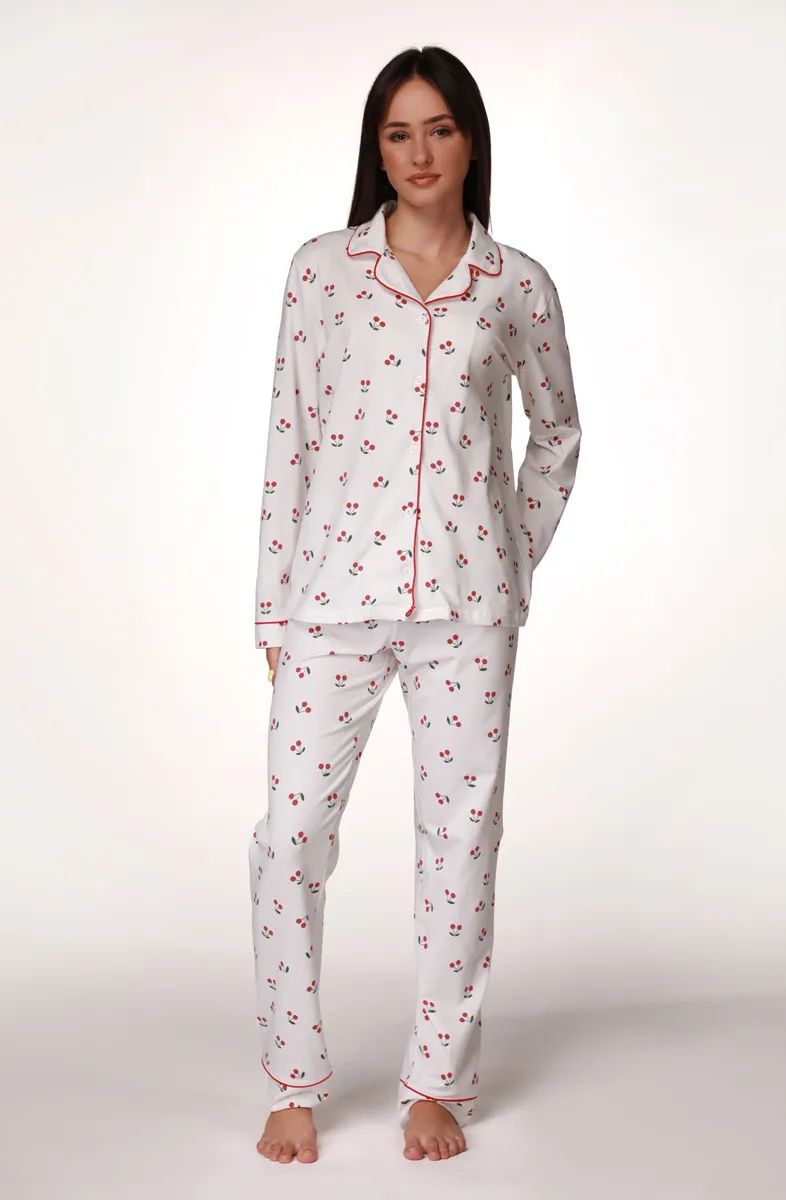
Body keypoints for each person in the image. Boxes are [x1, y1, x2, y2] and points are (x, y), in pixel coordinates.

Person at [249, 45, 581, 1166]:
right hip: (329, 601)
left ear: (470, 139)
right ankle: (293, 1078)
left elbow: (557, 433)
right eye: (399, 133)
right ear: (376, 149)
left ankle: (437, 1084)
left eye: (438, 128)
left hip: (466, 609)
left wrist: (510, 555)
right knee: (291, 834)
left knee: (460, 839)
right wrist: (271, 613)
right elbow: (289, 439)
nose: (420, 152)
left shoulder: (517, 284)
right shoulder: (320, 272)